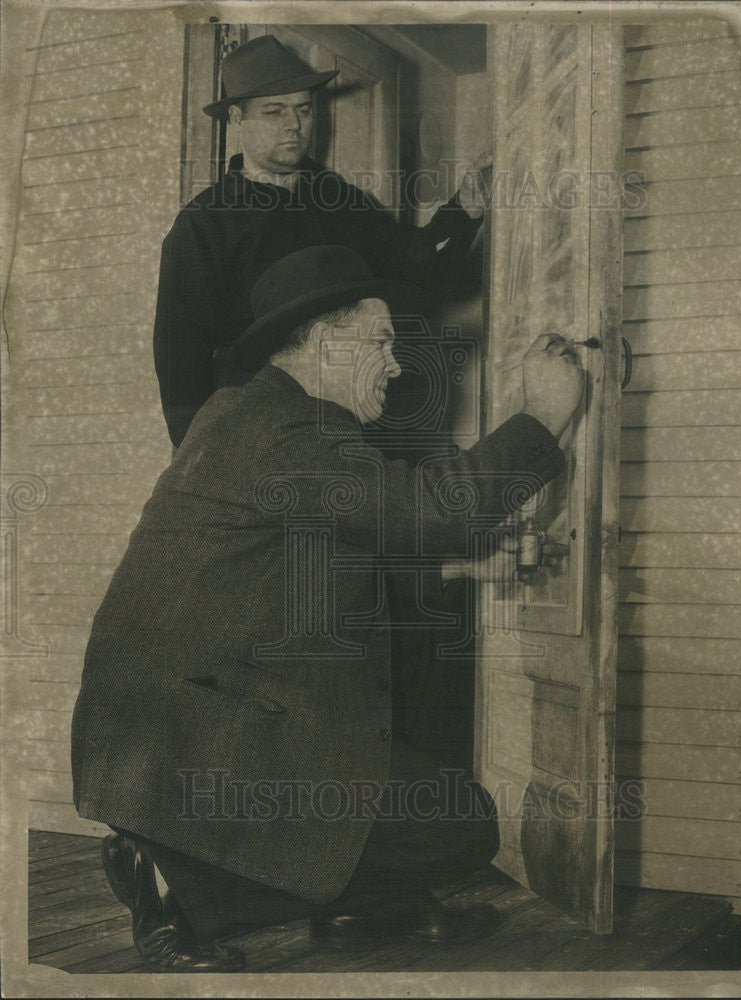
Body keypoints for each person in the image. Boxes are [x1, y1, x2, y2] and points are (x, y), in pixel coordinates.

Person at [73, 245, 584, 972]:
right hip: (192, 738)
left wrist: (458, 561)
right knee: (457, 825)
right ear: (321, 342)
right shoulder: (283, 430)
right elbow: (428, 507)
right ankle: (172, 880)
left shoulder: (256, 416)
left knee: (448, 816)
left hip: (195, 719)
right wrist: (542, 416)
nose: (399, 365)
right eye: (381, 343)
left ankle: (357, 905)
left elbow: (317, 557)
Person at [154, 33, 490, 447]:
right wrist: (201, 455)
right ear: (237, 119)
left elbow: (416, 270)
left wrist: (464, 211)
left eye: (303, 109)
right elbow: (180, 355)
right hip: (262, 433)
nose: (294, 125)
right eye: (274, 111)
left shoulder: (339, 198)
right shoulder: (205, 221)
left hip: (356, 424)